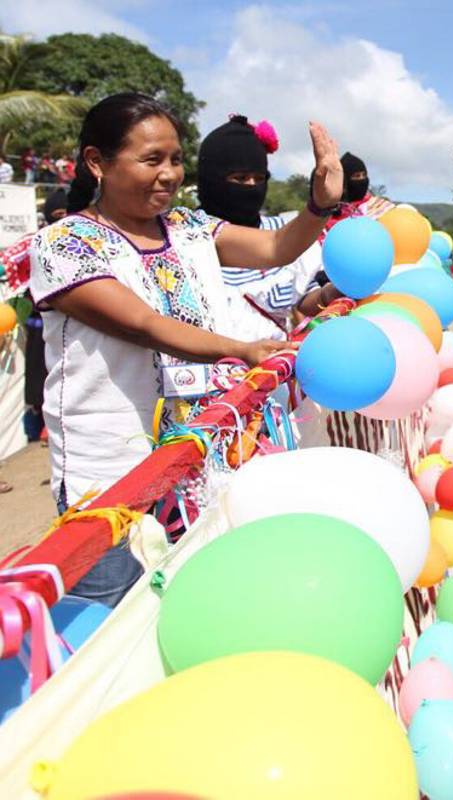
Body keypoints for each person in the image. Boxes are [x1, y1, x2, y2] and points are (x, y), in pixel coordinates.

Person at [30, 92, 342, 606]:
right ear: (96, 162)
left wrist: (318, 204)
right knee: (112, 631)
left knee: (199, 605)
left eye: (175, 159)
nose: (170, 174)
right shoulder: (65, 245)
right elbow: (145, 324)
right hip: (109, 479)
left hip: (199, 463)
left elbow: (276, 247)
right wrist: (243, 351)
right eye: (151, 159)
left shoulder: (190, 227)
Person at [197, 114, 330, 342]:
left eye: (259, 179)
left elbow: (304, 300)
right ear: (212, 180)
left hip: (270, 373)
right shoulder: (185, 238)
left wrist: (332, 294)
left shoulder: (287, 234)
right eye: (240, 178)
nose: (251, 187)